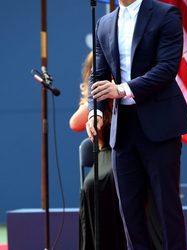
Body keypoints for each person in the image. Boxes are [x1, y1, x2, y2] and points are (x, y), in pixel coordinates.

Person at [86, 0, 187, 249]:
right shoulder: (104, 23)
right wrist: (96, 112)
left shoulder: (165, 14)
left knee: (166, 206)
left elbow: (167, 68)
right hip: (122, 130)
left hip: (160, 125)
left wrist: (122, 90)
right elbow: (98, 76)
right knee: (129, 210)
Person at [70, 51, 126, 250]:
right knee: (92, 183)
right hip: (105, 155)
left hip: (128, 150)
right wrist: (98, 98)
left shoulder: (125, 85)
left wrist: (118, 89)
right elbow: (75, 123)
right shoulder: (93, 95)